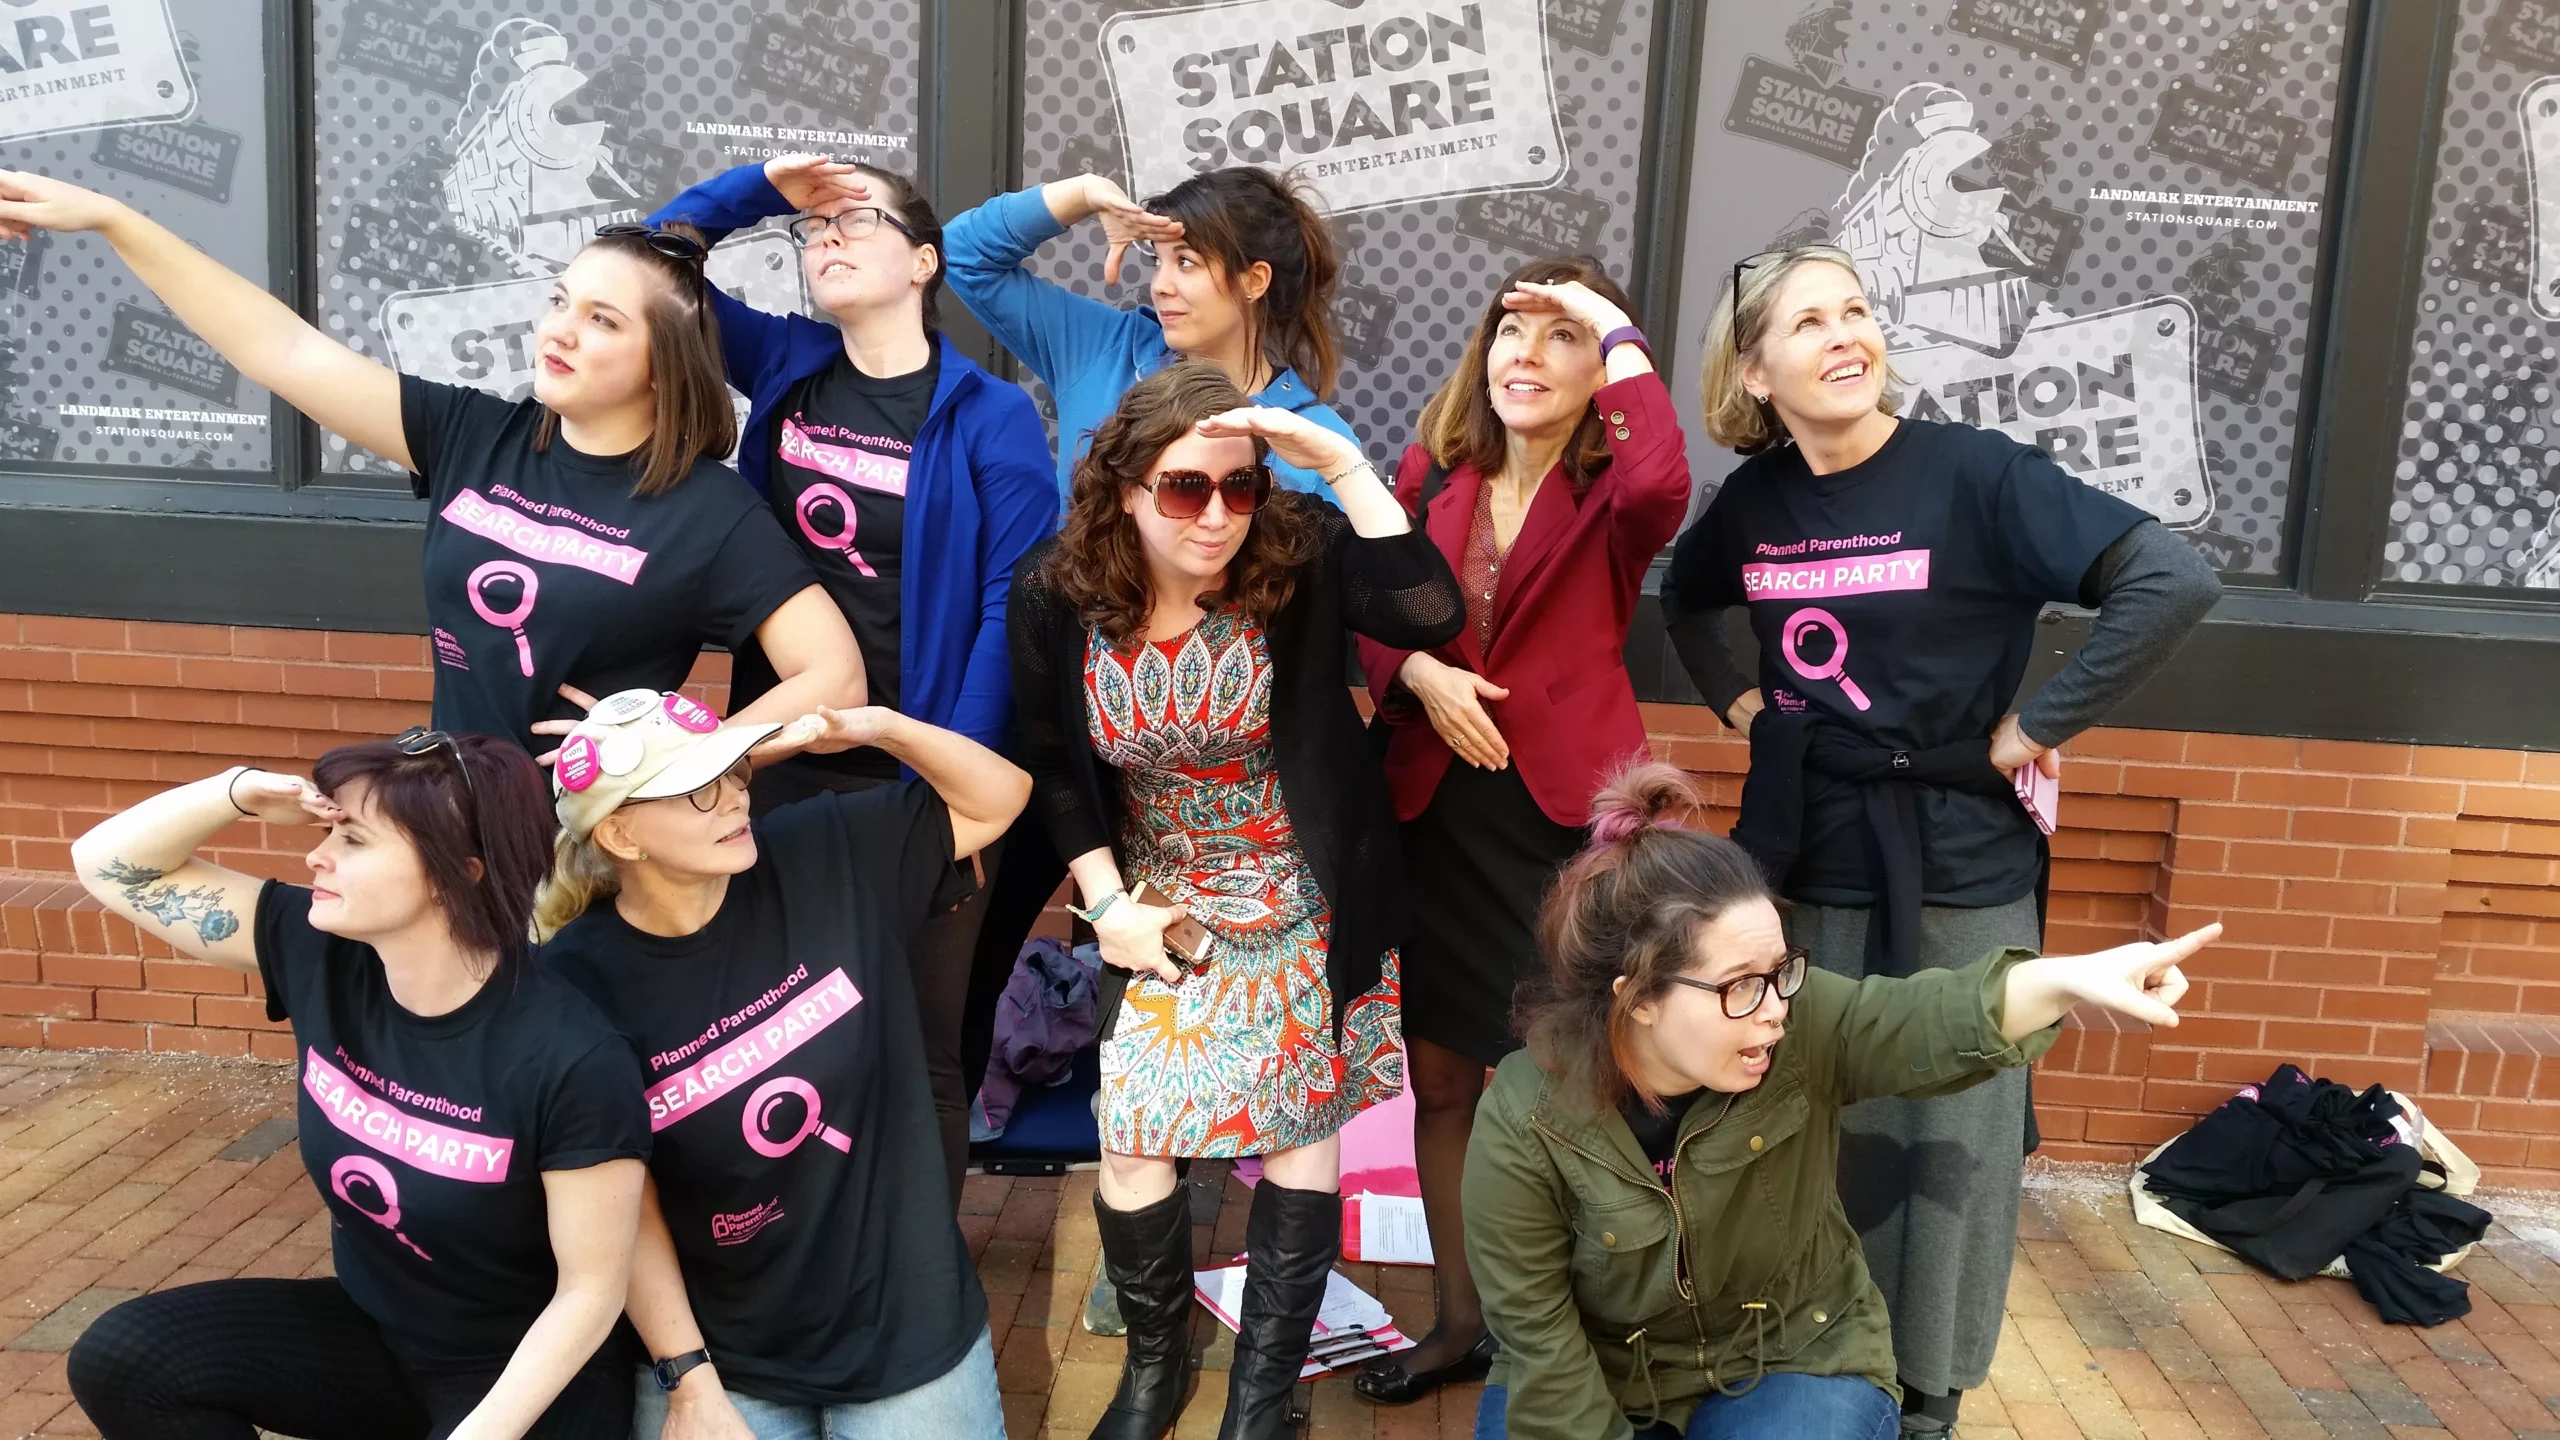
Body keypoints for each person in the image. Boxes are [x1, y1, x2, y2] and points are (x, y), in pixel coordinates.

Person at [1659, 246, 2223, 1435]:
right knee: (1806, 1134)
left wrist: (2037, 725)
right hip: (1804, 868)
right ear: (1754, 372)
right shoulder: (1755, 504)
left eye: (1856, 311)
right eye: (1808, 323)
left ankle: (1927, 1403)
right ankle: (1809, 1371)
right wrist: (1742, 706)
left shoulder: (1975, 474)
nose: (1845, 336)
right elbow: (1686, 599)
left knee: (1947, 1149)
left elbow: (2170, 579)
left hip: (1960, 871)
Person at [1465, 762, 2220, 1440]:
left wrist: (2062, 981)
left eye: (1780, 971)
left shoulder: (1801, 1027)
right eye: (1740, 986)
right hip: (1603, 1373)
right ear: (1638, 1000)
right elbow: (1539, 1334)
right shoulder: (1528, 1118)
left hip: (1791, 1355)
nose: (1775, 1010)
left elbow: (1925, 1019)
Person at [0, 171, 862, 757]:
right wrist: (118, 221)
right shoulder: (472, 435)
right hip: (451, 826)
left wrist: (687, 754)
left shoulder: (710, 514)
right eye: (561, 301)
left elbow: (834, 676)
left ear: (662, 365)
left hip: (591, 861)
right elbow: (281, 350)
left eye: (602, 320)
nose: (559, 330)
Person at [1008, 362, 1461, 1439]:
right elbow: (1054, 765)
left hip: (1303, 889)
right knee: (1133, 1137)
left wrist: (1341, 466)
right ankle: (1155, 1374)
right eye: (1183, 488)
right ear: (1126, 489)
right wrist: (1108, 907)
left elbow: (1428, 611)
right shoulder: (1057, 592)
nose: (1216, 514)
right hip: (1161, 899)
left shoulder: (1295, 555)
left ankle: (1261, 1401)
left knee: (1299, 1131)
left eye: (1239, 486)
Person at [644, 152, 1056, 1204]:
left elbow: (1010, 606)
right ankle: (783, 1237)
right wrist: (757, 190)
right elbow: (655, 268)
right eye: (814, 230)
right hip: (777, 754)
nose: (826, 237)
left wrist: (949, 779)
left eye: (857, 221)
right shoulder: (787, 362)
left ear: (923, 262)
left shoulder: (990, 415)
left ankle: (922, 1265)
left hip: (915, 771)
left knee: (920, 1042)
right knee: (761, 1017)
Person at [62, 733, 649, 1439]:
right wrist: (237, 791)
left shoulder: (571, 1056)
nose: (318, 857)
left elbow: (591, 1293)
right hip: (378, 1334)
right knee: (126, 1358)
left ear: (455, 874)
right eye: (328, 832)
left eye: (354, 841)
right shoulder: (322, 953)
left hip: (527, 1369)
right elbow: (107, 864)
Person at [948, 165, 1364, 1138]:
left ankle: (1143, 1174)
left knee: (1164, 980)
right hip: (1058, 723)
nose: (1162, 284)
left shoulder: (1304, 433)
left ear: (1253, 280)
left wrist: (1414, 665)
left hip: (1190, 778)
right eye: (1156, 260)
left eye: (1187, 262)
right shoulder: (1104, 344)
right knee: (970, 956)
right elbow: (965, 257)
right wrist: (1087, 195)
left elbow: (1353, 599)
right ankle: (943, 1165)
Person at [1349, 258, 1690, 1405]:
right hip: (1434, 807)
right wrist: (1416, 672)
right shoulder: (1431, 471)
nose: (1527, 355)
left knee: (1561, 1087)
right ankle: (1460, 1323)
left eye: (1561, 336)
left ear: (1603, 367)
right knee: (1441, 1078)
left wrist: (1613, 325)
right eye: (1510, 330)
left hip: (1560, 829)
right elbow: (1371, 602)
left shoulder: (1613, 498)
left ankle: (1565, 1339)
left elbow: (1661, 478)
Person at [532, 688, 1030, 1440]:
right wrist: (688, 1376)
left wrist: (881, 727)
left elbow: (1000, 798)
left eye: (733, 773)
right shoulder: (576, 984)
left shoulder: (824, 852)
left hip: (906, 1331)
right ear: (622, 836)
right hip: (722, 1361)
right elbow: (623, 1203)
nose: (735, 797)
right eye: (699, 789)